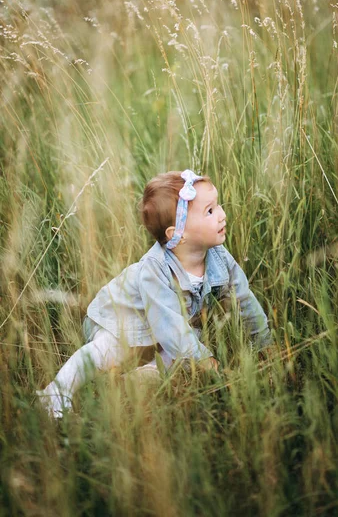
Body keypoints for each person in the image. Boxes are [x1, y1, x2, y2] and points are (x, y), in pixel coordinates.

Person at [36, 169, 271, 418]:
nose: (222, 215)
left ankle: (139, 378)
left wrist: (264, 342)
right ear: (177, 235)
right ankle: (56, 393)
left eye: (218, 205)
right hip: (120, 319)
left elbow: (244, 300)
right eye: (210, 211)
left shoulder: (219, 257)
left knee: (178, 352)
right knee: (109, 350)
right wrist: (206, 361)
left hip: (162, 327)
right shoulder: (155, 268)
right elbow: (170, 329)